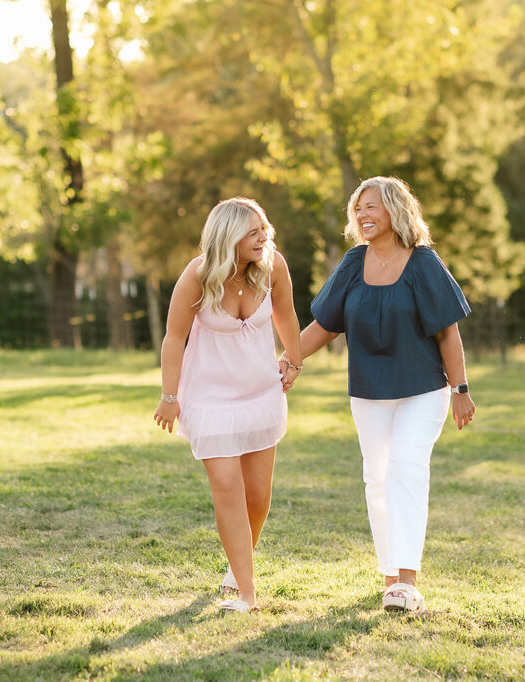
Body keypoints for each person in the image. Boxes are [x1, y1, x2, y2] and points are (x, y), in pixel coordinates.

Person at [283, 176, 475, 613]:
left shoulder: (423, 262)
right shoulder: (353, 263)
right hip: (369, 392)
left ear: (395, 210)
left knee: (407, 465)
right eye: (358, 209)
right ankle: (389, 575)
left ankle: (407, 581)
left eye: (372, 206)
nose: (363, 215)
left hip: (423, 390)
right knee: (377, 477)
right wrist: (291, 360)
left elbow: (448, 331)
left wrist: (460, 388)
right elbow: (326, 325)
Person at [153, 197, 302, 614]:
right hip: (209, 400)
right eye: (253, 232)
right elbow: (172, 337)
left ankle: (237, 570)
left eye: (265, 229)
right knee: (228, 490)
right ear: (229, 236)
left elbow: (286, 316)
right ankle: (247, 594)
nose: (264, 237)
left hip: (261, 394)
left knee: (257, 497)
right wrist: (169, 396)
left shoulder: (274, 266)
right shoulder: (198, 275)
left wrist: (294, 359)